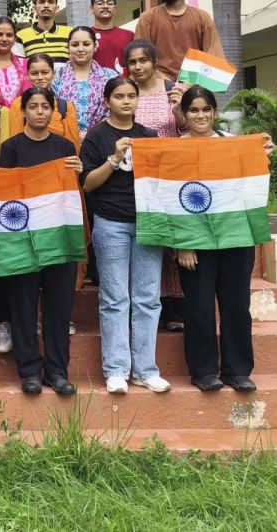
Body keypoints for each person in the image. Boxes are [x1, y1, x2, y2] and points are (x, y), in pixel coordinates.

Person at [176, 86, 274, 393]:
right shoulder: (174, 149)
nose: (200, 116)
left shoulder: (234, 144)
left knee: (236, 305)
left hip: (236, 237)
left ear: (215, 112)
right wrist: (182, 244)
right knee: (200, 307)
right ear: (184, 114)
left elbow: (250, 186)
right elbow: (170, 199)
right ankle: (204, 371)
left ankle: (238, 370)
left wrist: (262, 157)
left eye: (206, 109)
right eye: (194, 110)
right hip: (195, 243)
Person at [79, 76, 167, 394]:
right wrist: (114, 159)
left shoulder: (149, 135)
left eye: (132, 95)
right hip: (110, 223)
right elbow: (87, 184)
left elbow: (163, 180)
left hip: (147, 223)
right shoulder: (96, 136)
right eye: (119, 96)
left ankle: (145, 369)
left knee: (148, 298)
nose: (126, 101)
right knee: (115, 298)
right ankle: (116, 369)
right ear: (107, 101)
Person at [0, 88, 84, 395]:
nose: (39, 112)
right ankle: (29, 371)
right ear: (23, 111)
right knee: (23, 305)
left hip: (60, 237)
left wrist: (79, 172)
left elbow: (74, 190)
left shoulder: (65, 146)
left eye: (45, 106)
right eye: (33, 106)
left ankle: (57, 371)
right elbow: (4, 191)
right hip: (23, 238)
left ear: (52, 111)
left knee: (59, 307)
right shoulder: (11, 148)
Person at [124, 39, 186, 330]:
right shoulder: (127, 92)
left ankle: (175, 308)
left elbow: (187, 129)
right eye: (132, 62)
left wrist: (179, 110)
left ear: (154, 61)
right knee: (147, 239)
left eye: (143, 61)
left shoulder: (172, 89)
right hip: (137, 178)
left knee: (171, 239)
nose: (137, 67)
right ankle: (148, 305)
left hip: (170, 175)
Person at [134, 0, 225, 81]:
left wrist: (188, 85)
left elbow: (214, 57)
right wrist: (167, 84)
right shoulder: (147, 18)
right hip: (158, 85)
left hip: (194, 85)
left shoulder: (202, 17)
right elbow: (140, 56)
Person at [54, 26, 119, 135]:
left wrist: (91, 134)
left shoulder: (110, 76)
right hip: (64, 137)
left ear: (95, 46)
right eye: (75, 45)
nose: (80, 49)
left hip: (102, 136)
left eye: (86, 44)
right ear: (68, 47)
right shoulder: (56, 76)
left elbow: (116, 109)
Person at [4, 55, 82, 145]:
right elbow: (15, 142)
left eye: (45, 72)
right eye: (34, 73)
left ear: (53, 74)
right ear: (27, 76)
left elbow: (73, 146)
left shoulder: (65, 107)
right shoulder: (19, 104)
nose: (40, 77)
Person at [16, 0, 73, 66]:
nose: (46, 5)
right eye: (42, 2)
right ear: (34, 8)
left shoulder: (71, 33)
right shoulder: (20, 36)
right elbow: (19, 67)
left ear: (57, 8)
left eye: (50, 2)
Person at [0, 17, 28, 108]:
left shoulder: (26, 65)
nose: (4, 39)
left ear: (14, 39)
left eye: (9, 35)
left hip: (24, 116)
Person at [90, 0, 133, 74]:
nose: (105, 6)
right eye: (100, 3)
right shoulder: (86, 36)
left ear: (115, 8)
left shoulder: (129, 35)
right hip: (93, 82)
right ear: (91, 8)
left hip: (123, 81)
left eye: (110, 3)